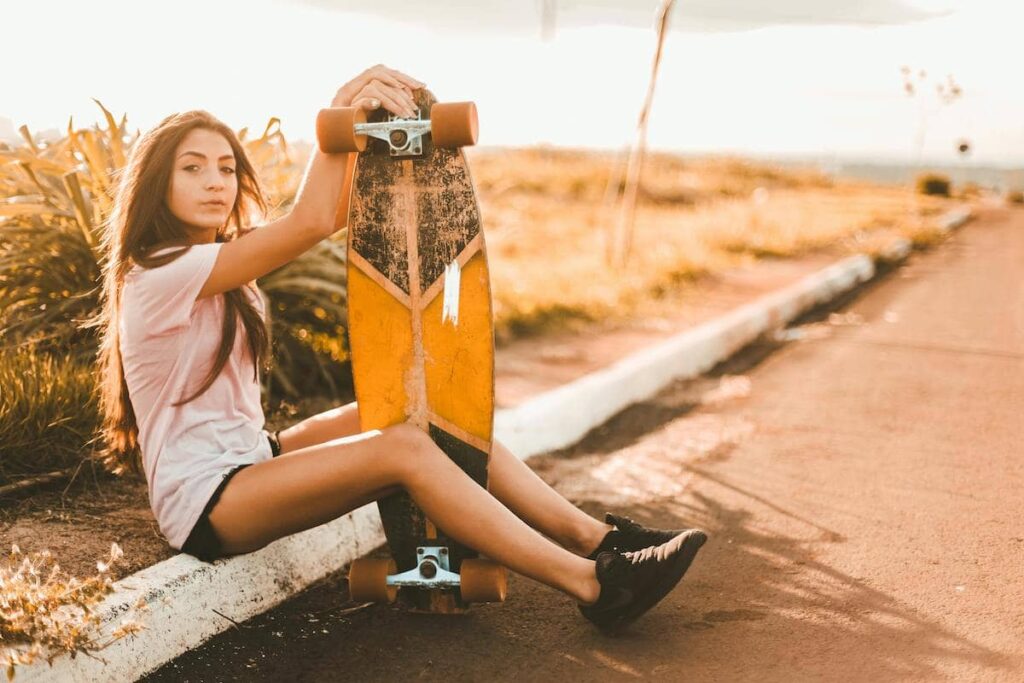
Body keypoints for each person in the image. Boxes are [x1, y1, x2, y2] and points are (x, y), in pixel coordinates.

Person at [90, 64, 707, 632]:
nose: (216, 182)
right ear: (155, 183)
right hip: (208, 500)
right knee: (405, 447)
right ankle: (596, 587)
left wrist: (363, 129)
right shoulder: (159, 272)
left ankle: (598, 539)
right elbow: (306, 223)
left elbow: (331, 212)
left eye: (226, 168)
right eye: (192, 167)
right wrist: (338, 111)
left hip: (253, 456)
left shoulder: (211, 256)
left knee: (420, 410)